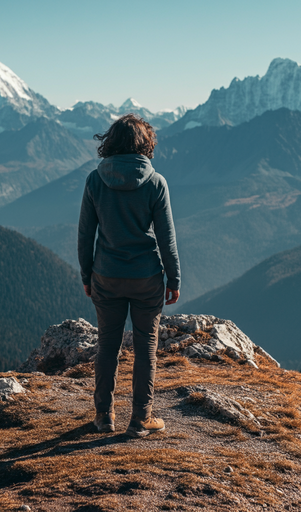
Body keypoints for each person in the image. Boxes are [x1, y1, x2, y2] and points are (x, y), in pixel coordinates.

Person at [78, 113, 181, 438]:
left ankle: (103, 417)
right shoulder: (155, 183)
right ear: (145, 144)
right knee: (145, 346)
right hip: (146, 277)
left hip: (105, 275)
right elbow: (167, 237)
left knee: (107, 345)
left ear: (111, 142)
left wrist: (86, 275)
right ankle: (140, 419)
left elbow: (85, 234)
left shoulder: (95, 180)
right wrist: (174, 279)